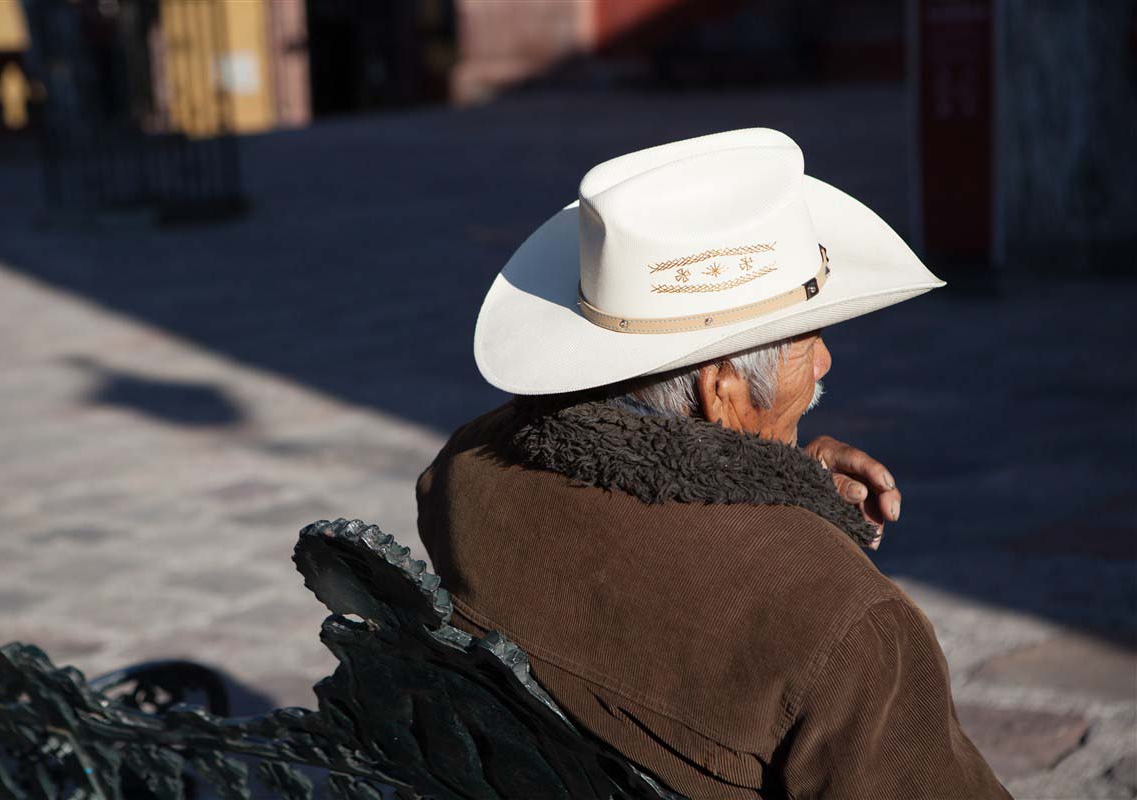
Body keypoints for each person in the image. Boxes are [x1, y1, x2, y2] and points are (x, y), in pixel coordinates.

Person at [417, 129, 1011, 799]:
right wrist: (797, 528)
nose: (824, 363)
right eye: (807, 340)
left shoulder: (464, 478)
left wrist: (784, 485)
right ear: (721, 391)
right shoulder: (851, 632)